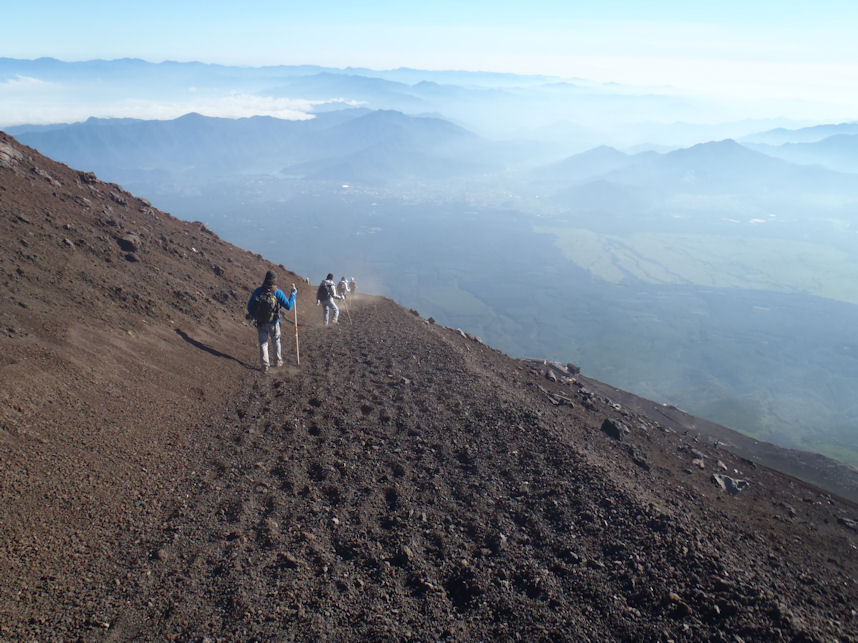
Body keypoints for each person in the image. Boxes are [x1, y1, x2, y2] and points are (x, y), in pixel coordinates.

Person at [246, 270, 297, 372]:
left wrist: (253, 316)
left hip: (260, 322)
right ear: (274, 281)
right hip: (274, 322)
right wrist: (293, 294)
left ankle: (265, 365)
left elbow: (249, 307)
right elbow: (289, 306)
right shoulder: (277, 292)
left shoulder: (258, 291)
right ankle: (278, 362)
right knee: (276, 341)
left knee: (263, 343)